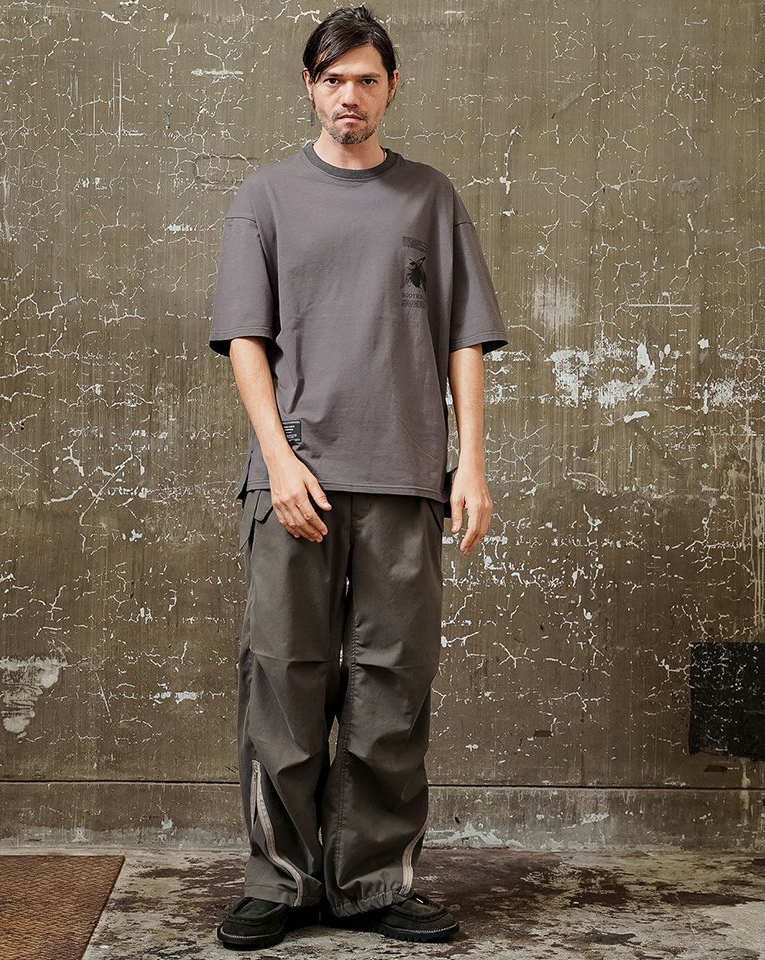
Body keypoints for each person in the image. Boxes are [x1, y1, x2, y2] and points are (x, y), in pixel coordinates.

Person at [209, 5, 508, 950]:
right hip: (295, 479)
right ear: (310, 86)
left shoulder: (429, 197)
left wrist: (470, 465)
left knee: (392, 687)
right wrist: (278, 460)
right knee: (283, 679)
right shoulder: (265, 197)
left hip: (408, 476)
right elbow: (245, 339)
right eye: (334, 79)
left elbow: (464, 338)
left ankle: (375, 883)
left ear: (391, 88)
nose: (350, 95)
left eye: (367, 80)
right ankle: (281, 881)